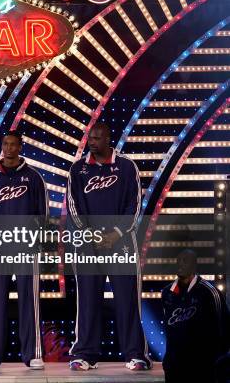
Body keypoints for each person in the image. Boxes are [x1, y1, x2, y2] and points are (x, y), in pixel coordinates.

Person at [67, 122, 151, 371]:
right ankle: (84, 353)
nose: (91, 142)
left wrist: (115, 233)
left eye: (96, 138)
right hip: (88, 244)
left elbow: (134, 206)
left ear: (108, 139)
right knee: (88, 300)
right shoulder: (78, 169)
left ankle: (135, 354)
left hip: (121, 243)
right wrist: (91, 234)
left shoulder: (126, 167)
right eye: (89, 138)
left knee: (127, 300)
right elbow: (74, 207)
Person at [0, 131, 48, 370]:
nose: (8, 148)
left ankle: (33, 353)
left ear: (20, 147)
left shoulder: (34, 178)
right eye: (5, 144)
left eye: (13, 144)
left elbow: (43, 215)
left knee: (29, 300)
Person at [162, 250, 229, 383]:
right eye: (178, 261)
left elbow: (224, 326)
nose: (180, 264)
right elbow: (170, 330)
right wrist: (168, 361)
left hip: (203, 365)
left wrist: (218, 361)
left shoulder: (209, 292)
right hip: (174, 365)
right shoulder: (167, 293)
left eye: (185, 261)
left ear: (194, 266)